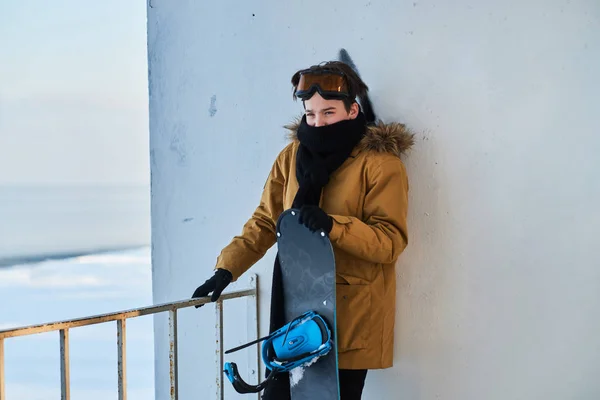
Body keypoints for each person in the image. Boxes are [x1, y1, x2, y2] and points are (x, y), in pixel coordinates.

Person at [192, 60, 414, 399]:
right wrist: (226, 269)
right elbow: (267, 221)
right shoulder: (291, 157)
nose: (318, 122)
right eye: (311, 114)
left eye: (328, 112)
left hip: (349, 315)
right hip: (295, 307)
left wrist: (332, 225)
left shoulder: (380, 164)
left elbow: (389, 242)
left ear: (353, 110)